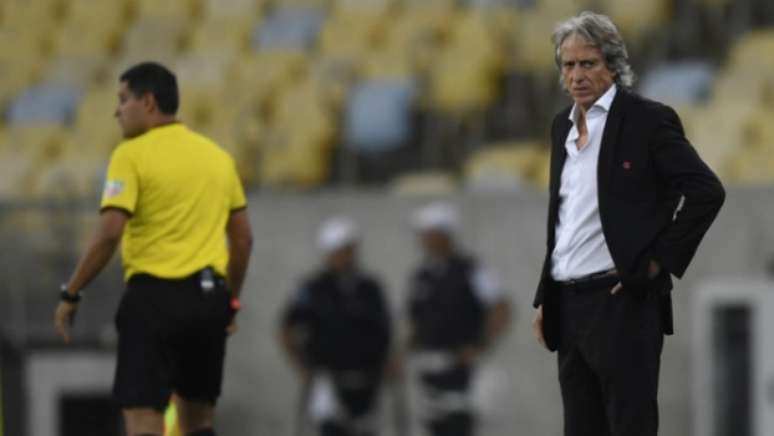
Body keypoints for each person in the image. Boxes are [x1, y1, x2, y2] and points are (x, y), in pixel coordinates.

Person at [530, 12, 725, 436]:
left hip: (622, 301)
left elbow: (706, 191)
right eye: (568, 65)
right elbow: (566, 215)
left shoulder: (647, 120)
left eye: (588, 64)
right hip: (570, 304)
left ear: (613, 66)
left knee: (630, 426)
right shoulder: (560, 125)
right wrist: (547, 292)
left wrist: (655, 264)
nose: (577, 75)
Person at [53, 62, 253, 436]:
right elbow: (243, 239)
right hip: (209, 299)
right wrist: (231, 303)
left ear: (148, 102)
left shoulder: (131, 155)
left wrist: (72, 290)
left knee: (144, 419)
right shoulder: (218, 158)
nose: (117, 110)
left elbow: (110, 232)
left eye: (123, 99)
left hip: (154, 298)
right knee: (198, 421)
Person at [278, 217, 392, 436]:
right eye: (341, 250)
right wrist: (301, 367)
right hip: (328, 382)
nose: (347, 257)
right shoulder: (311, 289)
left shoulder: (370, 287)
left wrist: (390, 362)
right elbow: (286, 330)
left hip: (367, 381)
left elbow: (385, 328)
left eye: (350, 250)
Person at [406, 203, 511, 436]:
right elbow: (414, 317)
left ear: (445, 234)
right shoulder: (421, 274)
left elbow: (500, 308)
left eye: (428, 234)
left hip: (461, 371)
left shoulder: (471, 269)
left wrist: (481, 345)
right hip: (428, 369)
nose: (423, 240)